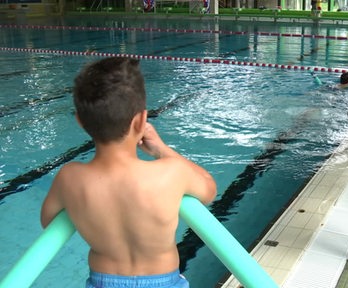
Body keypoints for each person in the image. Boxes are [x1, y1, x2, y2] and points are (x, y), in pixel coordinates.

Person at [40, 57, 217, 288]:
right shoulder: (171, 173)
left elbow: (48, 220)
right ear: (141, 120)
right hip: (164, 281)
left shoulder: (69, 177)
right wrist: (162, 149)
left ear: (80, 122)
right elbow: (209, 188)